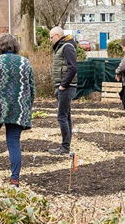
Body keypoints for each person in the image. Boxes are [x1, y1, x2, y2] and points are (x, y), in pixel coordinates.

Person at [0, 34, 35, 188]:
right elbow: (31, 87)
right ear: (15, 46)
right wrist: (28, 104)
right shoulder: (25, 62)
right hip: (18, 107)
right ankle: (14, 179)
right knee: (13, 142)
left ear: (0, 46)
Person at [48, 26, 78, 155]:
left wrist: (63, 85)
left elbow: (73, 68)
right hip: (64, 86)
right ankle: (66, 145)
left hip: (66, 87)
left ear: (57, 35)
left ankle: (65, 147)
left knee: (62, 117)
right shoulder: (62, 47)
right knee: (66, 116)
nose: (50, 40)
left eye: (51, 37)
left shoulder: (67, 47)